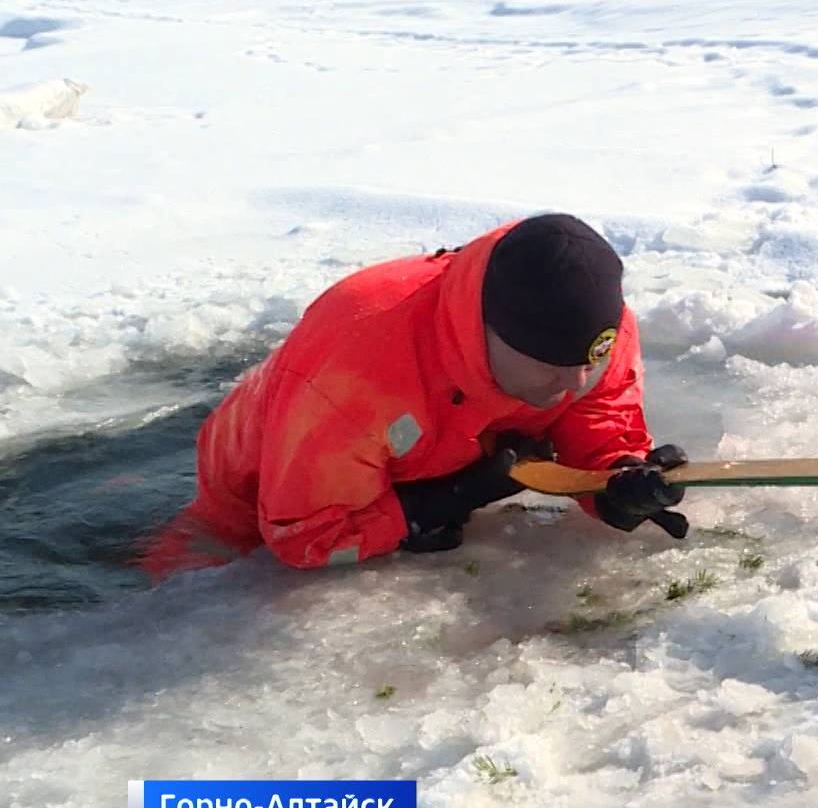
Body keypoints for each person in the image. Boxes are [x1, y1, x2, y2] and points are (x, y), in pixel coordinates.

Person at [143, 213, 689, 577]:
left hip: (442, 438)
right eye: (552, 368)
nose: (571, 385)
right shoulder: (356, 368)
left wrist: (613, 479)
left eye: (588, 365)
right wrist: (441, 501)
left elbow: (595, 413)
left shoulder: (592, 338)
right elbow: (303, 535)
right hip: (268, 481)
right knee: (189, 580)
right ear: (489, 332)